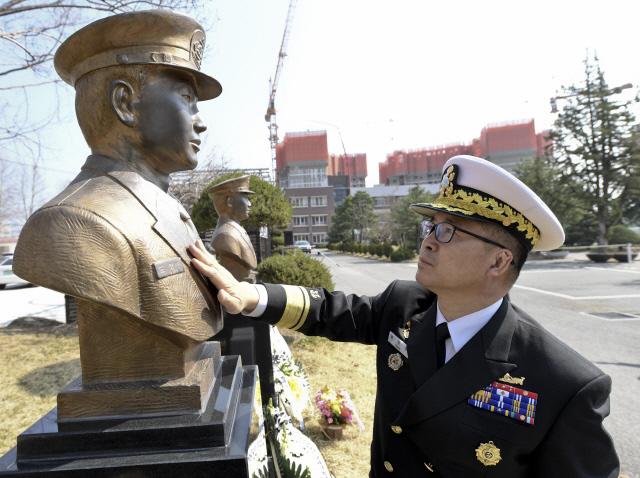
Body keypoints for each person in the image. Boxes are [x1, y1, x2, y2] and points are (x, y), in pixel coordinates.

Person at [190, 155, 619, 477]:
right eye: (430, 227)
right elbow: (331, 310)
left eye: (448, 230)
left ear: (499, 262)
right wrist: (249, 296)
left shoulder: (564, 386)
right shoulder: (404, 305)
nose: (429, 241)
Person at [13, 10, 223, 417]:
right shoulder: (73, 222)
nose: (201, 124)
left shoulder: (172, 210)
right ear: (125, 103)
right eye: (186, 99)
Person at [207, 175, 258, 282]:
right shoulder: (226, 235)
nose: (250, 203)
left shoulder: (235, 230)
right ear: (229, 201)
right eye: (245, 197)